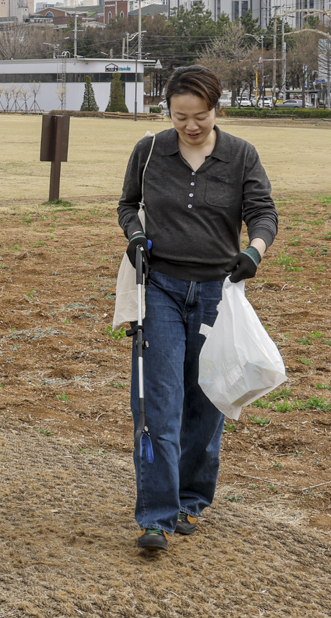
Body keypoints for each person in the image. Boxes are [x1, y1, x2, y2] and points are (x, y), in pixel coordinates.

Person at [117, 64, 277, 551]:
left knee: (207, 402)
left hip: (216, 293)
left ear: (216, 110)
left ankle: (191, 498)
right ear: (168, 111)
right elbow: (127, 205)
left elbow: (262, 212)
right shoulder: (149, 150)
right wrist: (136, 236)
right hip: (160, 289)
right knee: (157, 405)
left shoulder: (240, 155)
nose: (190, 126)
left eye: (200, 117)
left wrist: (254, 252)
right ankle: (156, 516)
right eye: (180, 116)